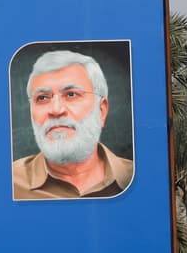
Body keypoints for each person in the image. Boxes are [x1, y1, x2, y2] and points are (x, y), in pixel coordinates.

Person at [11, 50, 133, 200]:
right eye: (42, 98)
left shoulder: (136, 178)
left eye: (71, 94)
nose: (56, 110)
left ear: (101, 110)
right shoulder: (8, 182)